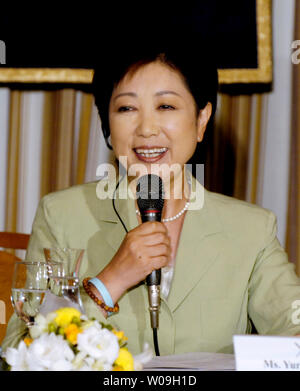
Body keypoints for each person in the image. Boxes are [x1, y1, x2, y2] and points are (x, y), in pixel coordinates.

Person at [2, 41, 300, 356]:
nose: (146, 129)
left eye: (166, 106)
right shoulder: (61, 214)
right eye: (127, 108)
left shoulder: (251, 228)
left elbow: (293, 326)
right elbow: (19, 351)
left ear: (201, 120)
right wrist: (110, 281)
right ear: (107, 123)